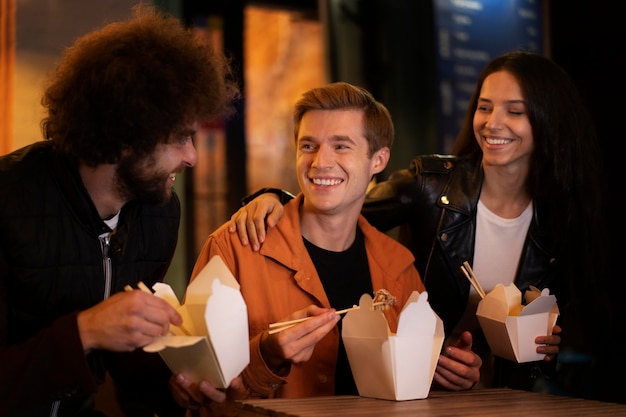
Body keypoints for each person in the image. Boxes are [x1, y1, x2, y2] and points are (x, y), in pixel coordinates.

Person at [229, 51, 611, 395]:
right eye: (484, 107)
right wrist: (275, 198)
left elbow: (571, 324)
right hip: (418, 382)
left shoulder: (559, 214)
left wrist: (548, 344)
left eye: (515, 111)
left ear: (547, 119)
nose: (493, 123)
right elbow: (340, 206)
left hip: (498, 390)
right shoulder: (432, 185)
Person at [173, 82, 481, 415]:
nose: (320, 162)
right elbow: (195, 392)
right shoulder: (234, 247)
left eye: (341, 146)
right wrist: (268, 353)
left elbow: (411, 389)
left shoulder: (398, 266)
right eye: (309, 145)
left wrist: (449, 375)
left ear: (378, 160)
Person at [0, 4, 240, 416]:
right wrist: (84, 331)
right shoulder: (8, 200)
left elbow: (128, 359)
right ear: (127, 134)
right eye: (181, 138)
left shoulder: (159, 212)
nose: (192, 156)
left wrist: (178, 381)